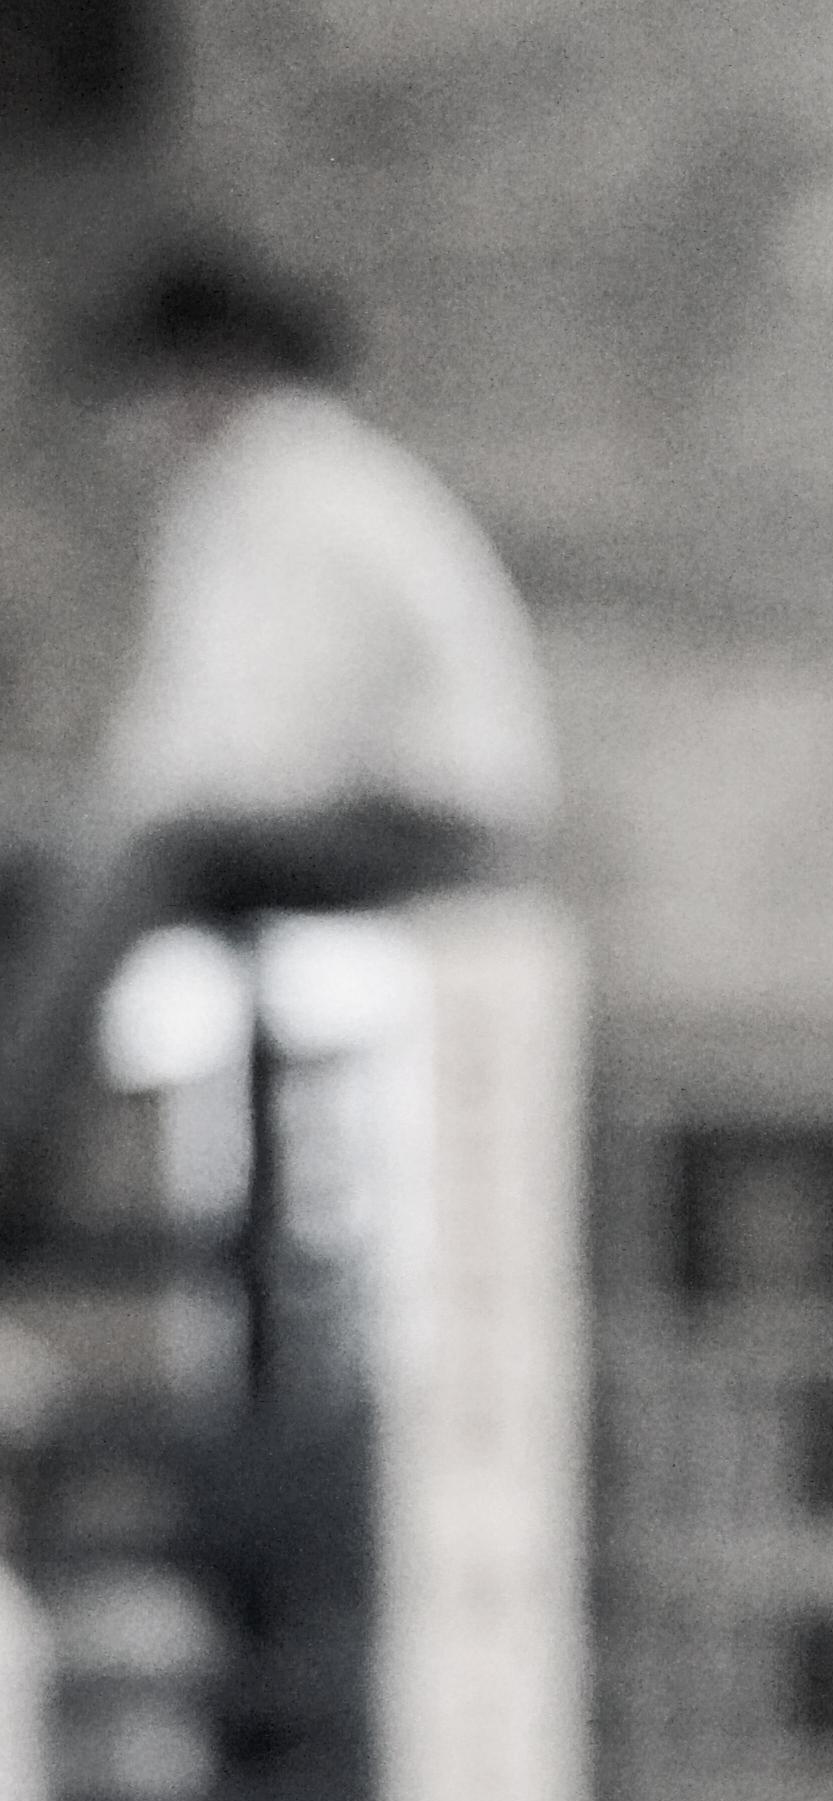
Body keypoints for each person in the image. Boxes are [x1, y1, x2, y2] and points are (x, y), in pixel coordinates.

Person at [0, 247, 556, 1253]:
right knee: (45, 850)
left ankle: (21, 1140)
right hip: (328, 806)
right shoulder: (239, 498)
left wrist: (108, 829)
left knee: (145, 857)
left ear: (210, 371)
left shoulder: (301, 490)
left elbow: (263, 744)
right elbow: (179, 738)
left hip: (425, 821)